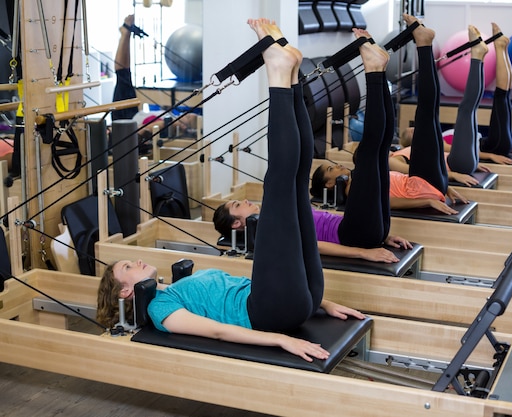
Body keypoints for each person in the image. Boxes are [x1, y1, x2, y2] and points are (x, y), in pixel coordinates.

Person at [97, 18, 365, 362]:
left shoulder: (174, 287)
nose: (135, 261)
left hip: (298, 298)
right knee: (280, 183)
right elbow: (220, 332)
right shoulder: (160, 310)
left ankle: (292, 76)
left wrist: (322, 304)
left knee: (296, 182)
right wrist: (279, 341)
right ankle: (279, 77)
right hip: (271, 311)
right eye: (127, 268)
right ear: (125, 291)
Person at [213, 28, 412, 264]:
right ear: (237, 224)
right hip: (355, 235)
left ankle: (373, 69)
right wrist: (363, 252)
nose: (245, 201)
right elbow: (312, 245)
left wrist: (383, 235)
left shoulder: (271, 211)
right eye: (238, 205)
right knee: (369, 152)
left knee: (378, 150)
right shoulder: (265, 227)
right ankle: (374, 71)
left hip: (367, 228)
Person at [311, 17, 474, 215]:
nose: (337, 165)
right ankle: (422, 45)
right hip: (420, 187)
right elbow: (386, 202)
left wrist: (445, 186)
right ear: (329, 184)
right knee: (426, 113)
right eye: (331, 169)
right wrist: (426, 202)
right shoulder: (352, 189)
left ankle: (399, 57)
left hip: (424, 181)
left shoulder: (359, 178)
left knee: (428, 112)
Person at [389, 22, 512, 187]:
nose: (414, 128)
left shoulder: (433, 145)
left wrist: (482, 158)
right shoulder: (398, 156)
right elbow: (417, 174)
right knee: (466, 110)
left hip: (463, 161)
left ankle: (477, 55)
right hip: (458, 165)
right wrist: (454, 175)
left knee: (463, 109)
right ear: (410, 140)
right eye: (411, 130)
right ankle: (477, 57)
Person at [111, 15, 197, 147]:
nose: (188, 117)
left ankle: (125, 34)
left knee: (122, 75)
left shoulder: (166, 126)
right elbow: (194, 118)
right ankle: (125, 33)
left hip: (126, 122)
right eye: (188, 117)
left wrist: (173, 123)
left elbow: (141, 133)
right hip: (135, 115)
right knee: (124, 74)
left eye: (188, 119)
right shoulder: (173, 118)